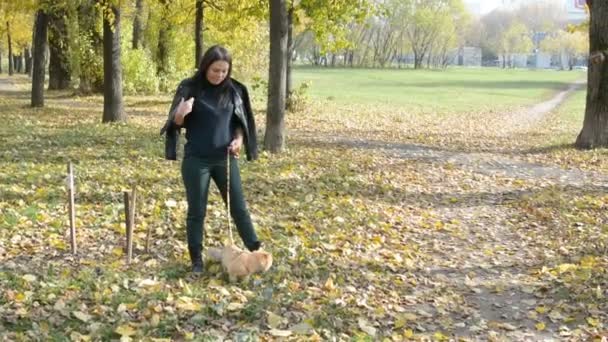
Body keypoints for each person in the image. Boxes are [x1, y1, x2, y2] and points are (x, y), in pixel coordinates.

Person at [160, 45, 262, 274]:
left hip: (224, 159)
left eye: (224, 71)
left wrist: (238, 140)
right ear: (206, 66)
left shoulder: (234, 90)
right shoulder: (190, 88)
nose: (220, 75)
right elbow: (174, 124)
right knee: (197, 210)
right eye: (216, 70)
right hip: (197, 160)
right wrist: (180, 113)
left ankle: (256, 251)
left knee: (238, 207)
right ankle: (196, 260)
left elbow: (238, 124)